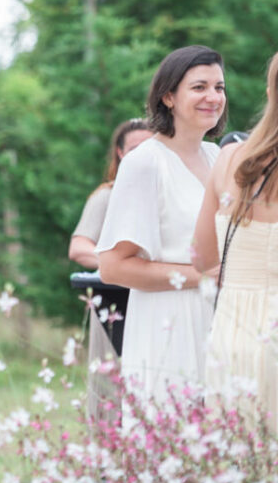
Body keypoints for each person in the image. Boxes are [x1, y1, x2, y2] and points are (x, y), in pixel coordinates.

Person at [98, 46, 226, 403]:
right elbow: (112, 267)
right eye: (199, 87)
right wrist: (202, 277)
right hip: (168, 323)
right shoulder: (144, 163)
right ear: (168, 96)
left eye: (219, 87)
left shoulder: (217, 157)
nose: (213, 97)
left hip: (222, 323)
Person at [193, 51, 278, 425]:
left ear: (269, 91)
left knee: (238, 467)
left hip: (230, 337)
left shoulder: (228, 158)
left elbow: (201, 256)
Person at [68, 119, 154, 269]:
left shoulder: (177, 191)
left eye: (148, 148)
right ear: (120, 153)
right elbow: (78, 248)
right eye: (134, 150)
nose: (142, 155)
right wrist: (123, 266)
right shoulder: (107, 195)